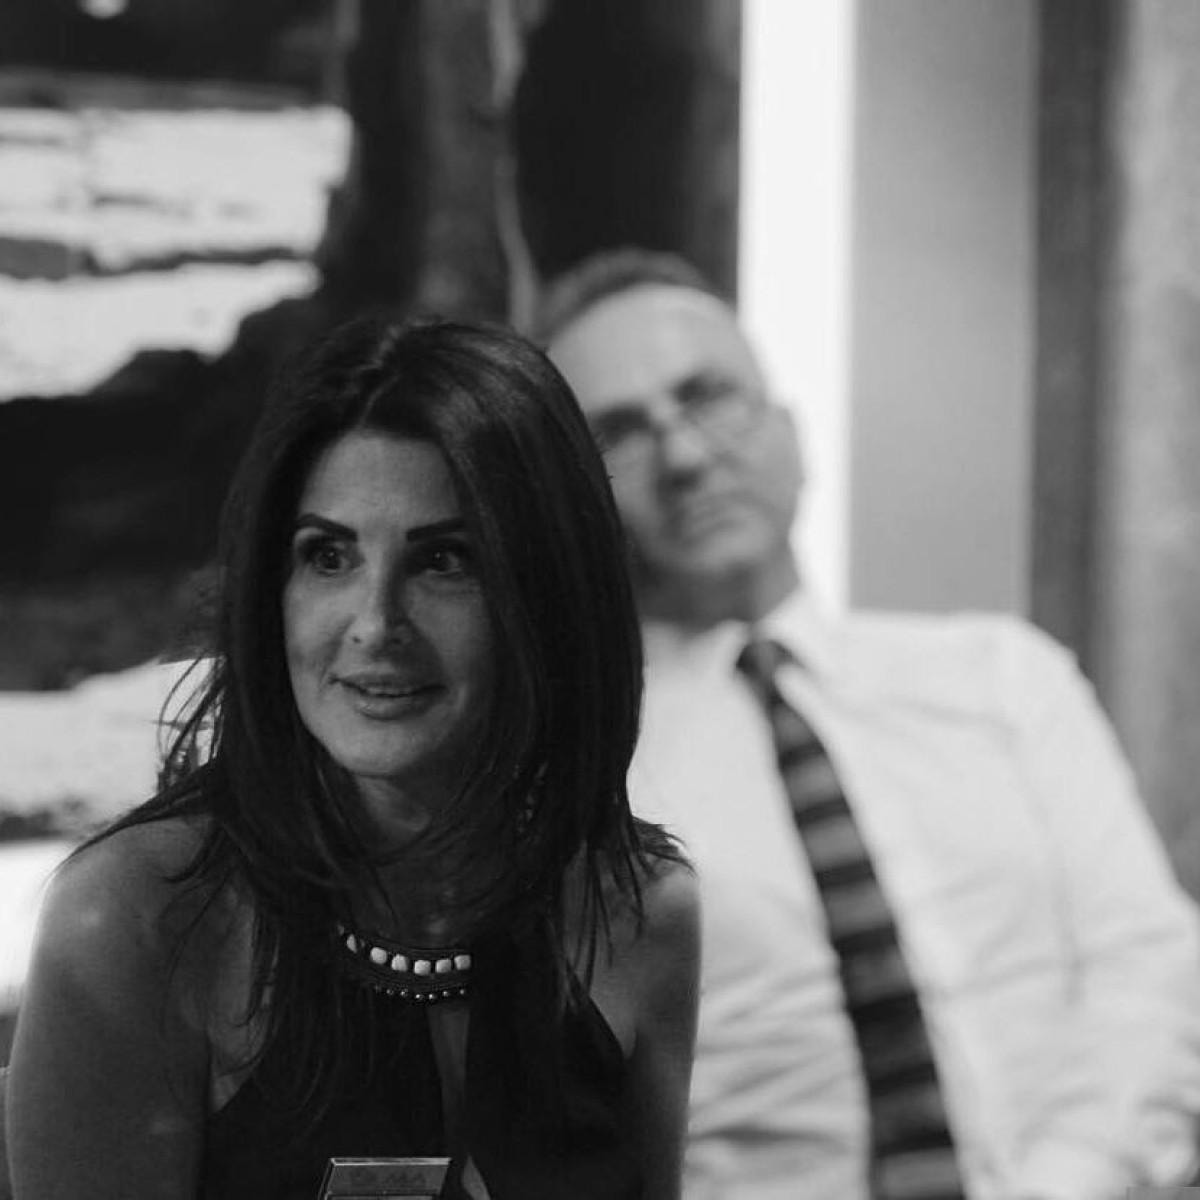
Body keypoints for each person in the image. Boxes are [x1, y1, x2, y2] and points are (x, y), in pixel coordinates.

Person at [538, 247, 1200, 1200]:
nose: (683, 457)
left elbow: (1148, 973)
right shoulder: (581, 778)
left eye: (707, 396)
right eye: (621, 433)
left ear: (790, 431)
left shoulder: (1003, 679)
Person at [5, 315, 701, 1199]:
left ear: (549, 588)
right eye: (328, 556)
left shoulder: (641, 912)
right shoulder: (139, 920)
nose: (375, 625)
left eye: (445, 560)